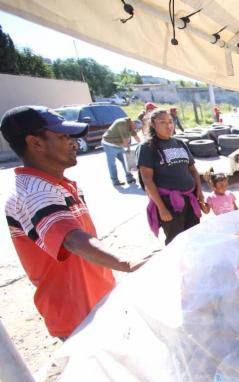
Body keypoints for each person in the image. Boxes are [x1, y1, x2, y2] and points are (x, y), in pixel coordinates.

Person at [1, 106, 143, 339]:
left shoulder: (58, 184)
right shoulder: (35, 192)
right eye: (63, 137)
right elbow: (72, 239)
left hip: (96, 303)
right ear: (35, 143)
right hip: (78, 316)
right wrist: (129, 263)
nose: (74, 143)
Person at [138, 108, 205, 245]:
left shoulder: (179, 143)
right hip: (169, 203)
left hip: (190, 198)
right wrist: (161, 208)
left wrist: (199, 190)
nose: (168, 126)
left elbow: (192, 170)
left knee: (195, 236)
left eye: (170, 121)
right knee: (176, 241)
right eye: (162, 122)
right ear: (152, 125)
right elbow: (147, 180)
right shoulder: (147, 147)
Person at [101, 116, 140, 187]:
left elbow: (136, 137)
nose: (135, 129)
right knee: (112, 164)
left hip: (118, 145)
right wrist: (128, 150)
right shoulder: (122, 124)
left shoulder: (130, 126)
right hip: (109, 144)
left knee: (125, 161)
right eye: (135, 127)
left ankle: (130, 178)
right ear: (133, 123)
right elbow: (125, 142)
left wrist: (142, 146)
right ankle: (115, 181)